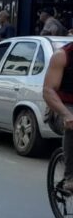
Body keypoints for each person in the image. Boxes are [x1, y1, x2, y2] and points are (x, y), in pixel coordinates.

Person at [44, 42, 73, 191]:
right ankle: (70, 177)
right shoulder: (62, 56)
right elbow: (48, 91)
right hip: (61, 108)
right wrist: (66, 114)